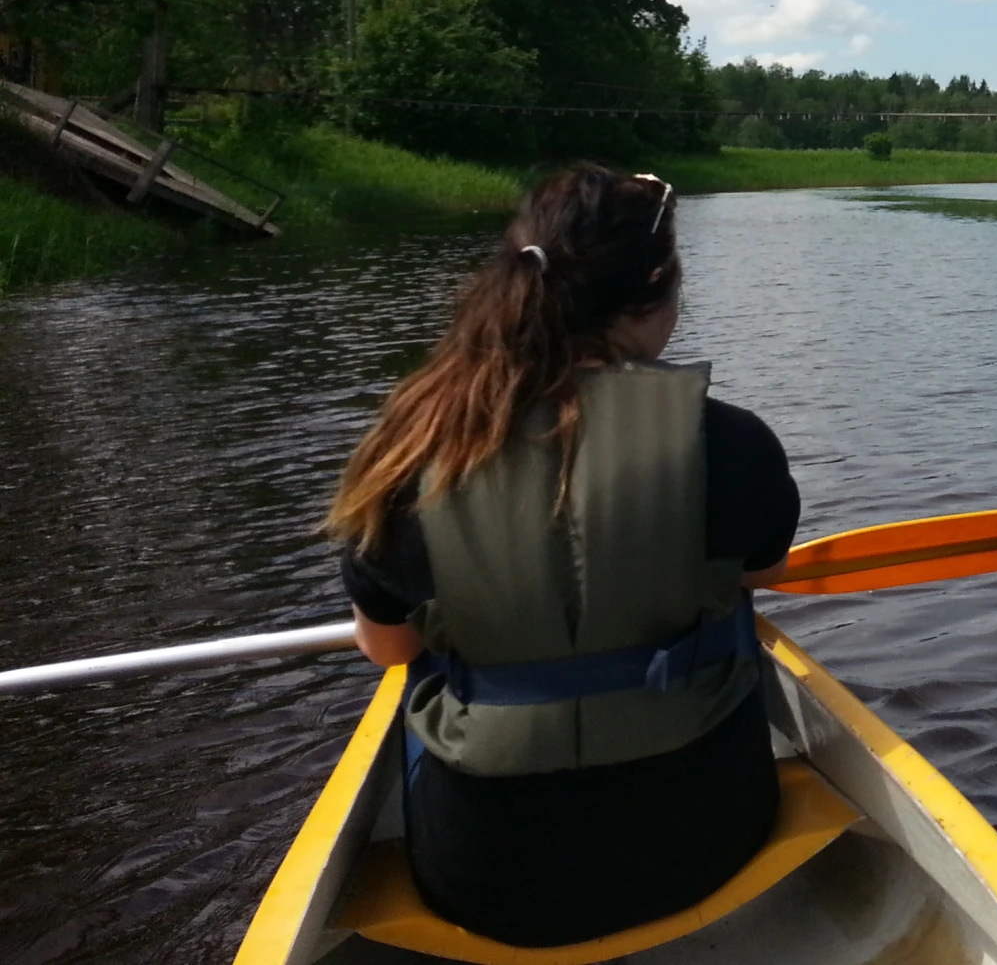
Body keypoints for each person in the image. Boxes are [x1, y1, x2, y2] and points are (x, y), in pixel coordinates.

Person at [324, 164, 800, 948]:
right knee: (729, 610)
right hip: (706, 850)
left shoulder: (407, 454)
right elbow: (762, 574)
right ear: (657, 290)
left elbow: (387, 648)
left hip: (484, 882)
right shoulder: (736, 443)